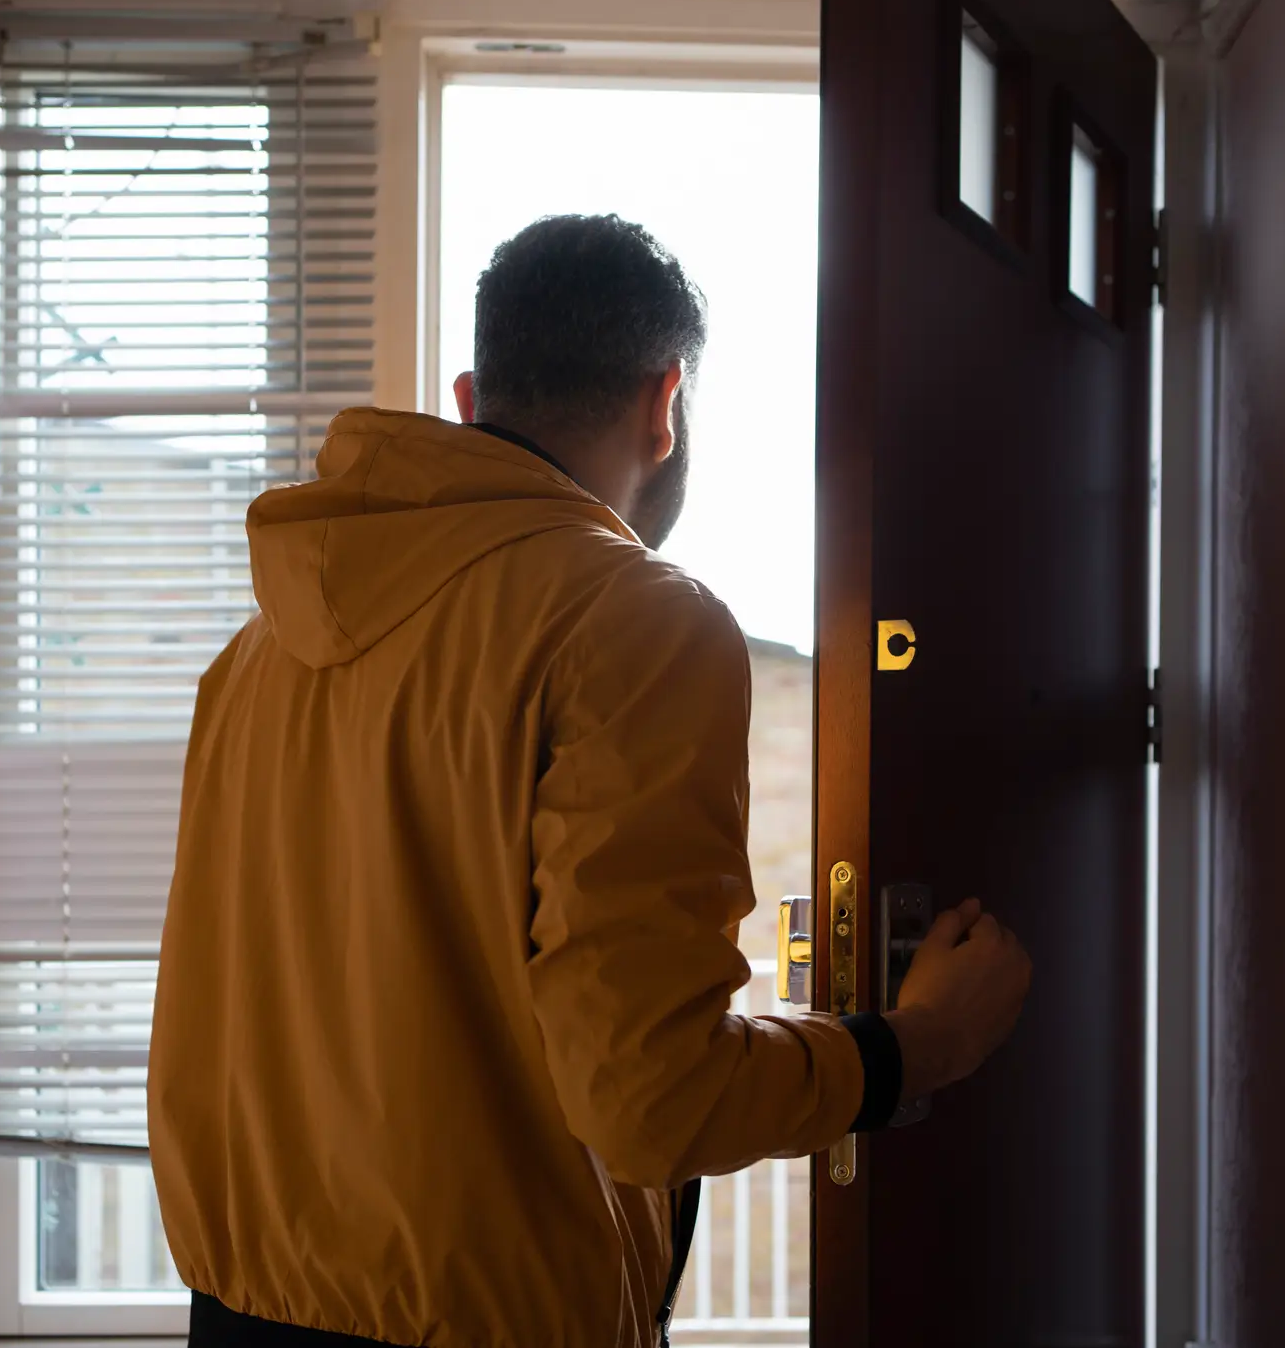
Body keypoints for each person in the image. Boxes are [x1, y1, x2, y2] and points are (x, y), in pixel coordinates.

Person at [148, 213, 1032, 1348]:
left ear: (471, 399)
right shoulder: (634, 620)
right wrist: (915, 1046)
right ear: (667, 402)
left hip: (237, 1314)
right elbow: (652, 1100)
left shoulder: (256, 653)